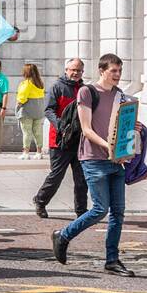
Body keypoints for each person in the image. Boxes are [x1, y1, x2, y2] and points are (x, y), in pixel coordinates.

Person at [51, 53, 134, 277]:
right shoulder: (87, 92)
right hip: (93, 158)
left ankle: (112, 259)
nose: (117, 75)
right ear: (101, 71)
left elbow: (123, 125)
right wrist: (109, 146)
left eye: (119, 71)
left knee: (118, 212)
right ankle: (63, 235)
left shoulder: (120, 94)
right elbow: (87, 129)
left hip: (116, 160)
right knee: (99, 209)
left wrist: (129, 141)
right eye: (113, 71)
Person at [33, 57, 89, 219]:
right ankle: (40, 201)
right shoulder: (57, 87)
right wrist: (61, 127)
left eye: (79, 70)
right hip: (60, 141)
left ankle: (81, 211)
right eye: (73, 69)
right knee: (56, 175)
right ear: (66, 70)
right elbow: (49, 110)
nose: (76, 73)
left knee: (81, 178)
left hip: (79, 140)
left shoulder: (85, 89)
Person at [16, 62, 46, 159]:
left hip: (27, 110)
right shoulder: (40, 83)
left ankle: (26, 153)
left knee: (27, 132)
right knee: (38, 132)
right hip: (39, 110)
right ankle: (39, 152)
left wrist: (18, 106)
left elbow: (22, 97)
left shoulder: (26, 83)